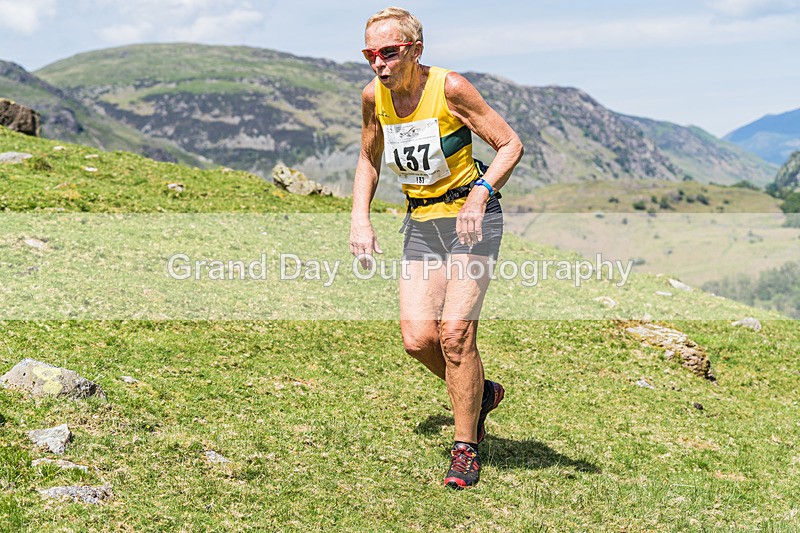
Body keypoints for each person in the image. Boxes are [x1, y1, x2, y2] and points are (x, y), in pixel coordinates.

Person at [349, 6, 524, 489]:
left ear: (415, 50)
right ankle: (480, 392)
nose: (378, 63)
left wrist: (480, 192)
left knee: (455, 337)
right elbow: (369, 157)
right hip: (423, 223)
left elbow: (509, 145)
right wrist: (359, 218)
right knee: (418, 339)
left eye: (389, 52)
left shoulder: (450, 88)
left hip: (472, 221)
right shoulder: (374, 97)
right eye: (370, 54)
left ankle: (465, 447)